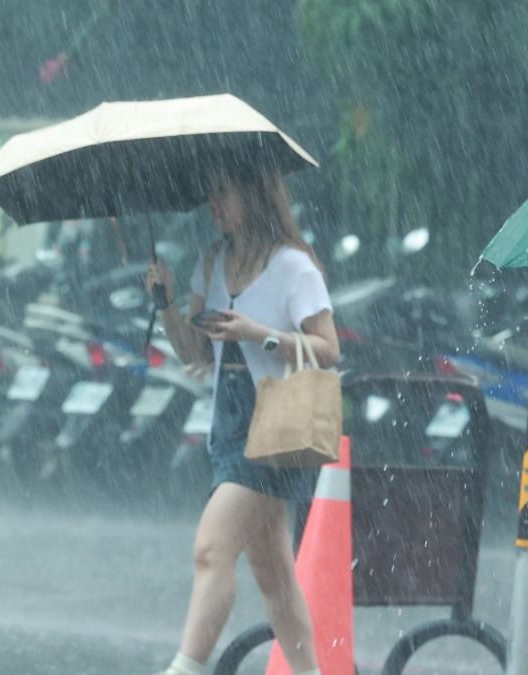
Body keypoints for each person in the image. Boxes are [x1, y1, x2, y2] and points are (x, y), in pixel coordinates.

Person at [144, 168, 339, 675]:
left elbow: (328, 349)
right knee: (273, 574)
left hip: (275, 426)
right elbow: (195, 353)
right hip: (226, 427)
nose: (213, 202)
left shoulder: (293, 267)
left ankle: (184, 668)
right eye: (211, 191)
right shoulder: (211, 264)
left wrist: (260, 334)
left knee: (212, 548)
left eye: (223, 191)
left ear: (254, 194)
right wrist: (165, 303)